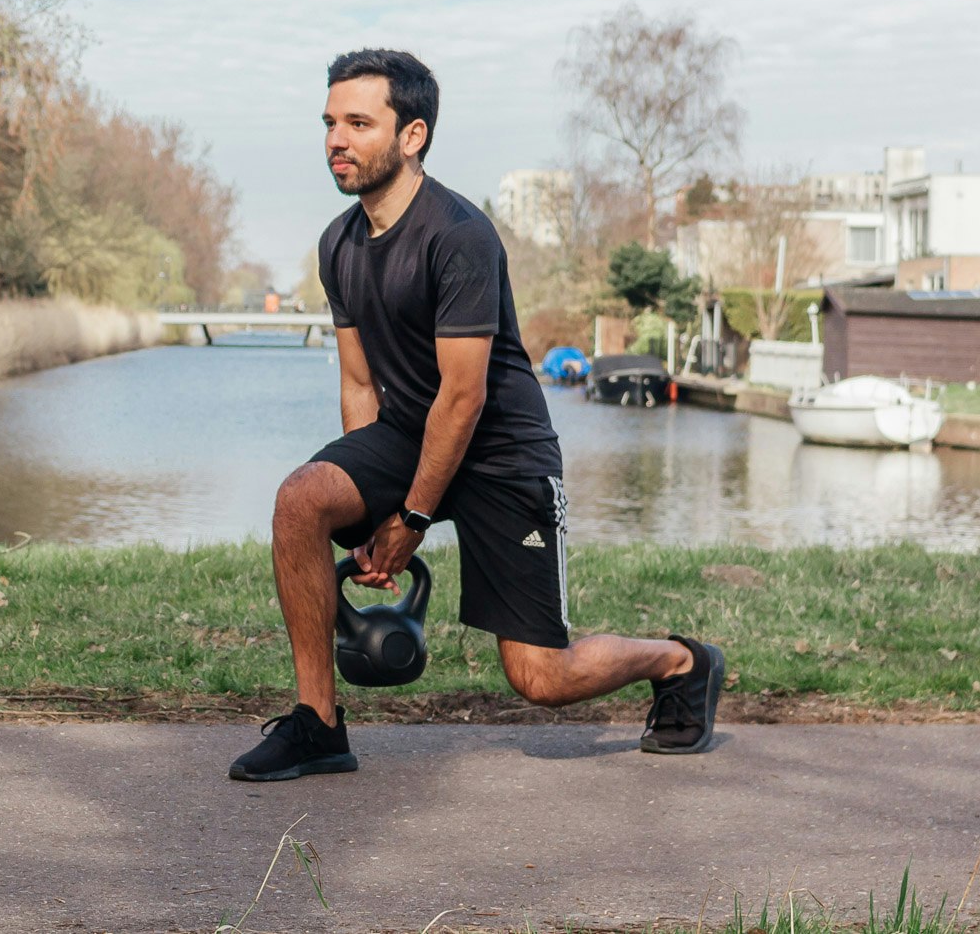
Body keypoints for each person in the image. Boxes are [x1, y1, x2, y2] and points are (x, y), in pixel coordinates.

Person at [229, 49, 725, 782]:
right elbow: (361, 385)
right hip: (407, 435)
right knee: (301, 500)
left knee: (541, 678)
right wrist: (363, 514)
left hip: (502, 455)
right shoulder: (338, 244)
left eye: (359, 122)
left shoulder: (459, 235)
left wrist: (411, 521)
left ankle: (683, 660)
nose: (336, 137)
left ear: (412, 135)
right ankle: (318, 724)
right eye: (330, 121)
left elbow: (464, 399)